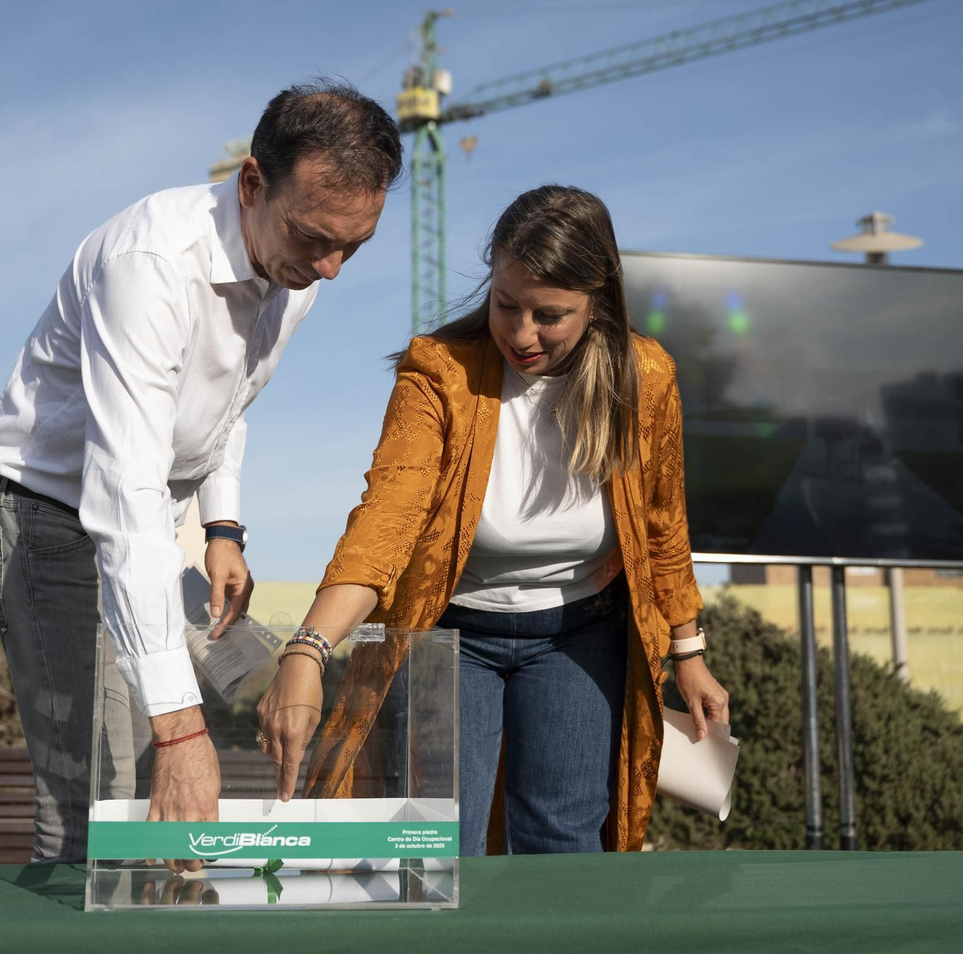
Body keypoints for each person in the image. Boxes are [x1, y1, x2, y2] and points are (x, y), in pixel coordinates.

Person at [0, 80, 402, 863]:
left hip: (148, 523)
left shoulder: (295, 268)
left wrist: (222, 526)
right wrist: (182, 729)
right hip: (48, 518)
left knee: (146, 767)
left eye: (355, 245)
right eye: (316, 238)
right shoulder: (149, 266)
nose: (334, 268)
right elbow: (127, 494)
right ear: (251, 183)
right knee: (95, 805)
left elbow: (225, 401)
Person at [257, 184, 730, 854]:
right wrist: (308, 649)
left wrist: (689, 655)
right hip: (452, 635)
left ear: (597, 301)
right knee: (437, 841)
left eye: (549, 315)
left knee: (562, 836)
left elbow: (663, 526)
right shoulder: (439, 372)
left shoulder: (645, 377)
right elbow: (385, 523)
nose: (520, 332)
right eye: (506, 305)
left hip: (579, 633)